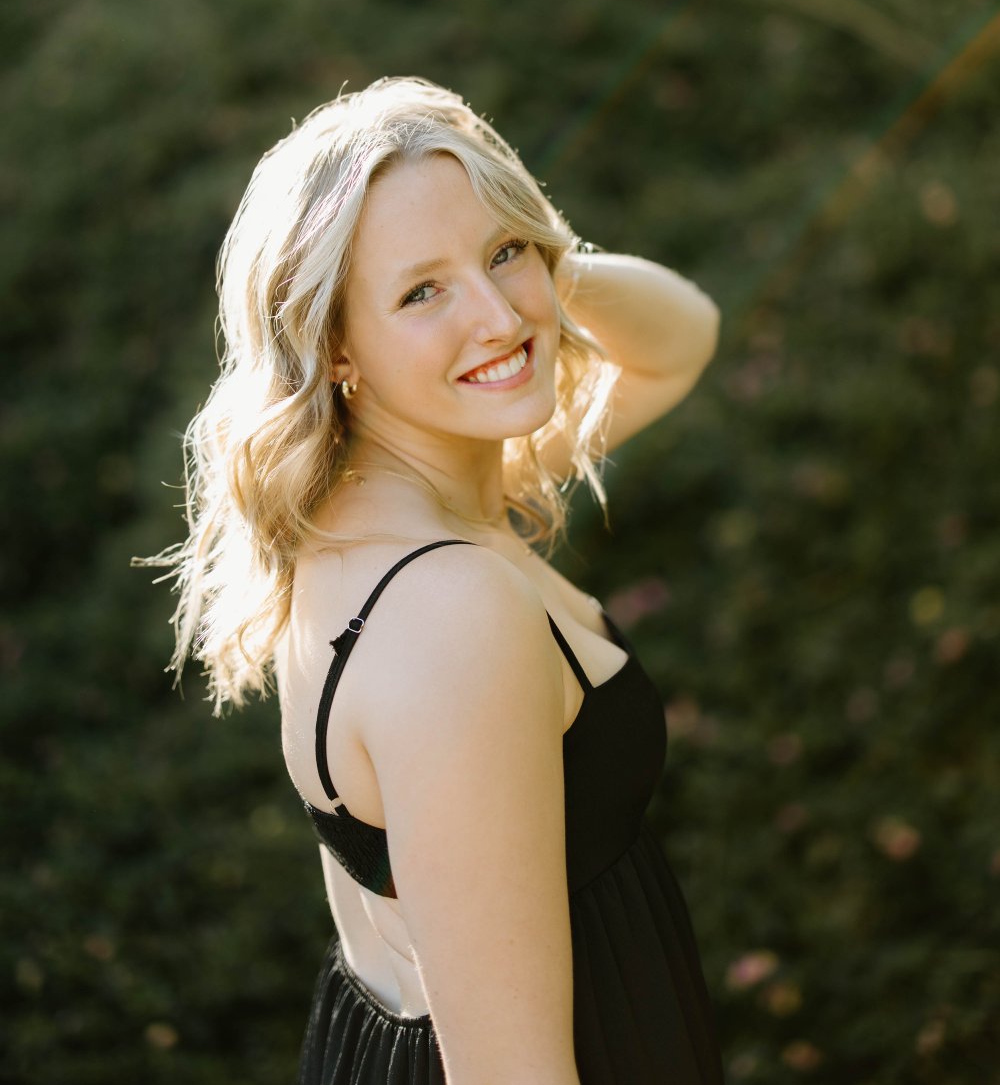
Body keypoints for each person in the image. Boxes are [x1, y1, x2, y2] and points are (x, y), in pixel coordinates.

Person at [157, 76, 725, 1084]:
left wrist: (536, 267)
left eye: (504, 252)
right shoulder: (445, 607)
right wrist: (501, 267)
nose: (496, 318)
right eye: (421, 292)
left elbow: (681, 338)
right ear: (336, 345)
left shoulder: (382, 505)